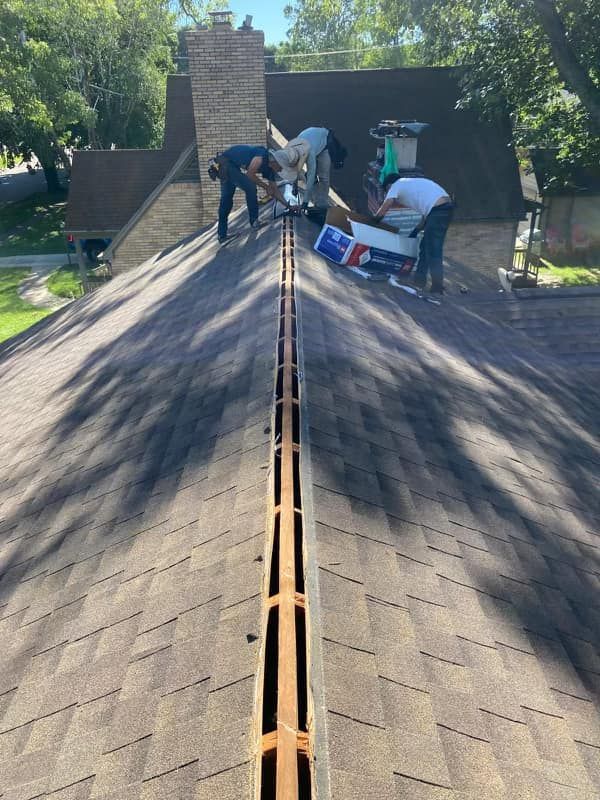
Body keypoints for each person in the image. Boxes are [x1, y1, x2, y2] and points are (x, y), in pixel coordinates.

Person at [375, 174, 453, 294]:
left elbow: (387, 204)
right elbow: (426, 215)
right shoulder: (411, 184)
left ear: (389, 186)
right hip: (443, 208)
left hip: (439, 210)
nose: (388, 193)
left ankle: (437, 287)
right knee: (425, 246)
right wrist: (415, 231)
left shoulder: (396, 184)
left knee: (433, 250)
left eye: (387, 190)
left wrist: (373, 221)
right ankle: (419, 280)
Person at [216, 144, 295, 244]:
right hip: (225, 163)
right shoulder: (261, 156)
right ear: (275, 162)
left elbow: (274, 189)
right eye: (281, 167)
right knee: (250, 188)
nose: (280, 170)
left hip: (228, 166)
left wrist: (288, 206)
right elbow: (250, 174)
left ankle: (222, 235)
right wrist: (266, 187)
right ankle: (254, 221)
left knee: (226, 200)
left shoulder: (270, 170)